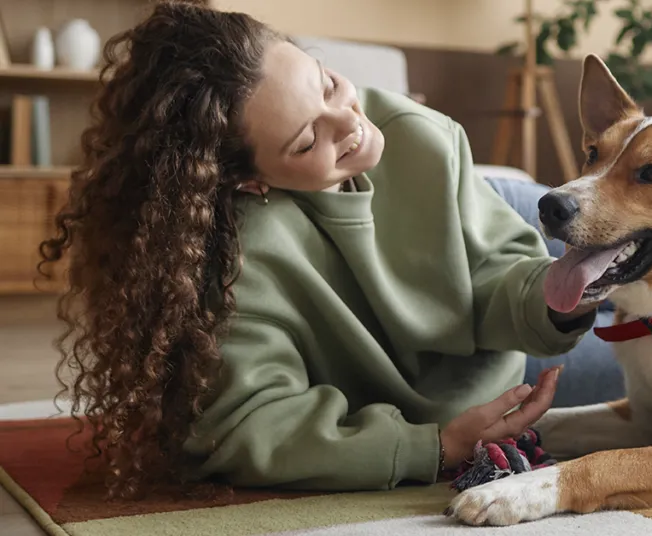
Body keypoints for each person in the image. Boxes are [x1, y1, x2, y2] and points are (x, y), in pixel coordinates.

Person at [38, 0, 599, 499]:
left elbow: (494, 268)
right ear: (250, 182)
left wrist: (554, 300)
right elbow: (246, 427)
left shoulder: (413, 131)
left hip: (498, 210)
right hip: (500, 390)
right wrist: (433, 445)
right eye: (307, 140)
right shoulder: (237, 261)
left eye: (327, 83)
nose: (352, 123)